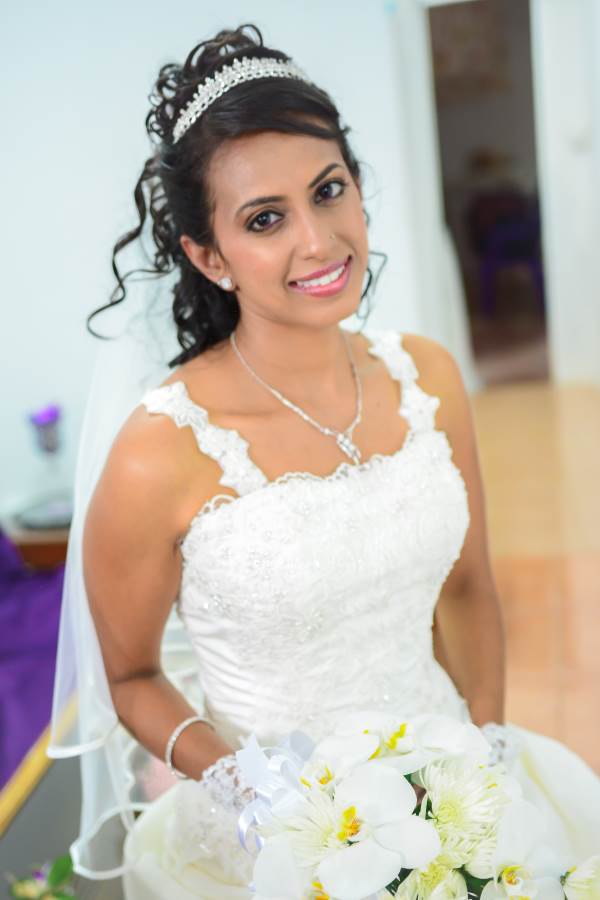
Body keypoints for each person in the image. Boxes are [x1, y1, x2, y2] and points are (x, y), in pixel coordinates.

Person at [48, 23, 600, 900]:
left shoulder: (429, 377)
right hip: (272, 837)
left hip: (448, 782)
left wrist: (484, 758)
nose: (318, 240)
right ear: (208, 256)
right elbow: (132, 677)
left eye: (329, 190)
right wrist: (249, 792)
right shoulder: (161, 451)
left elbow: (467, 590)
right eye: (265, 219)